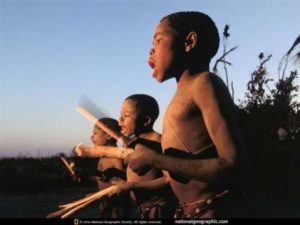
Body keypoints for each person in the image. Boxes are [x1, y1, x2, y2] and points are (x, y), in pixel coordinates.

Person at [125, 12, 251, 218]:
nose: (151, 48)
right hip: (192, 212)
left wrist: (157, 160)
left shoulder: (204, 83)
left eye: (158, 40)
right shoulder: (180, 97)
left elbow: (234, 165)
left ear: (189, 42)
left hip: (215, 210)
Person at [76, 94, 177, 218]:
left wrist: (131, 185)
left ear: (146, 120)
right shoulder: (132, 145)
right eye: (120, 115)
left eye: (126, 115)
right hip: (143, 210)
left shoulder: (160, 143)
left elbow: (170, 180)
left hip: (160, 211)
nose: (120, 120)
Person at [77, 117, 129, 218]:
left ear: (108, 135)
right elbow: (103, 179)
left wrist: (97, 196)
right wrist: (84, 176)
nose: (91, 137)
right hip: (106, 203)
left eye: (95, 133)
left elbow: (121, 185)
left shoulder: (116, 158)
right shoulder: (102, 157)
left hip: (117, 207)